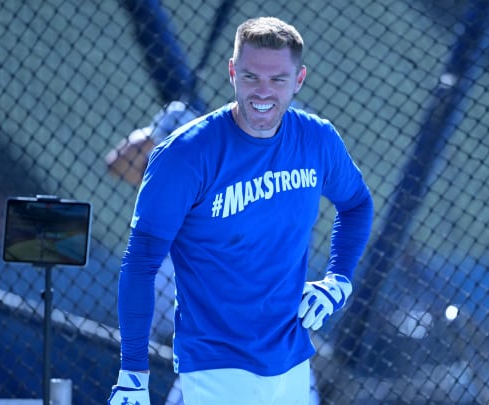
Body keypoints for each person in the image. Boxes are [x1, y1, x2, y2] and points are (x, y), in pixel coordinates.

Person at [108, 16, 374, 405]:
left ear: (298, 80)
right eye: (251, 77)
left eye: (278, 80)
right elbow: (140, 261)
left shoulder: (316, 138)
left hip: (291, 359)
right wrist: (132, 372)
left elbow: (357, 203)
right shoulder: (185, 154)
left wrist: (338, 280)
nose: (263, 92)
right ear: (232, 72)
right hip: (215, 365)